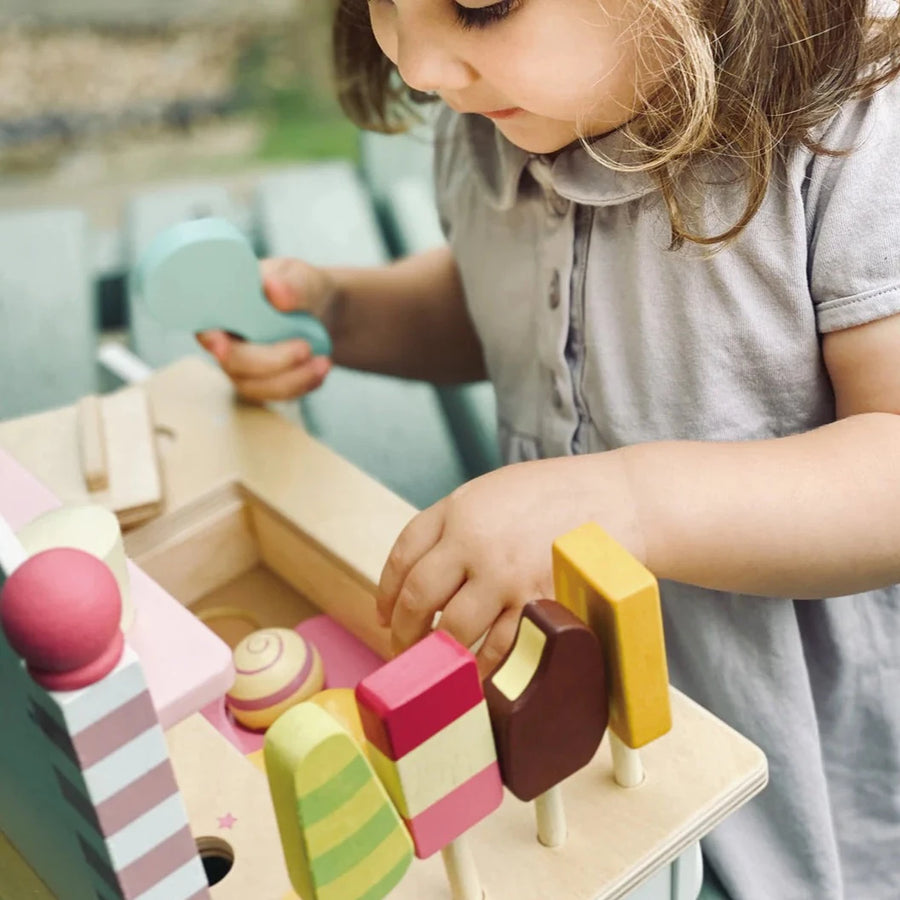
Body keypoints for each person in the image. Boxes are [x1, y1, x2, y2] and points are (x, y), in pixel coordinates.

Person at [197, 1, 900, 897]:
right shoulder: (507, 107)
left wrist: (625, 505)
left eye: (480, 5)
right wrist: (346, 315)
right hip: (554, 732)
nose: (418, 66)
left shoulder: (861, 128)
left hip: (781, 770)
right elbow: (523, 312)